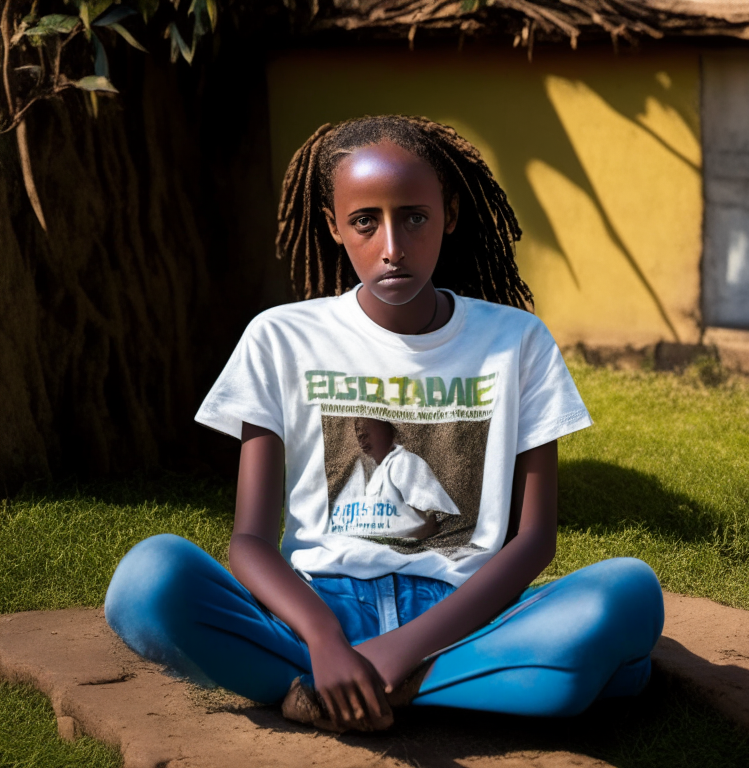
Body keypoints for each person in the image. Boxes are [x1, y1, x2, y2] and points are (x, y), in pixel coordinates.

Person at [104, 115, 664, 732]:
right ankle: (436, 683)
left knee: (629, 591)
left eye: (415, 217)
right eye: (365, 221)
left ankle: (332, 690)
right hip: (316, 607)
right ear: (334, 226)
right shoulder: (280, 337)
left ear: (449, 215)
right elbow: (250, 540)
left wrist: (405, 648)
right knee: (147, 581)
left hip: (460, 618)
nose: (392, 245)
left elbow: (533, 541)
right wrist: (322, 636)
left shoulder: (517, 341)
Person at [331, 417, 459, 540]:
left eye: (366, 434)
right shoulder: (373, 473)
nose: (362, 442)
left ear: (386, 432)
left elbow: (434, 520)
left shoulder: (404, 461)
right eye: (359, 437)